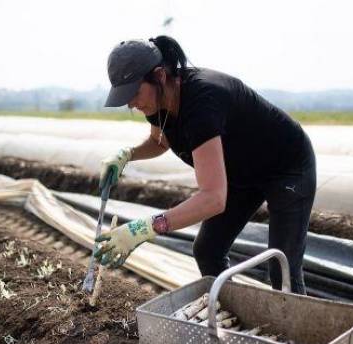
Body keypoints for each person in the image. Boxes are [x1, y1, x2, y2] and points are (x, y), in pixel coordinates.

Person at [94, 36, 316, 294]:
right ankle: (232, 317)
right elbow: (160, 140)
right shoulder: (156, 102)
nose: (131, 103)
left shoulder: (202, 103)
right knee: (208, 250)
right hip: (241, 171)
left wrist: (143, 228)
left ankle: (295, 333)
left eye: (133, 92)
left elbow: (213, 198)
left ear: (159, 75)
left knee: (282, 270)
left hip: (286, 167)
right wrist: (126, 154)